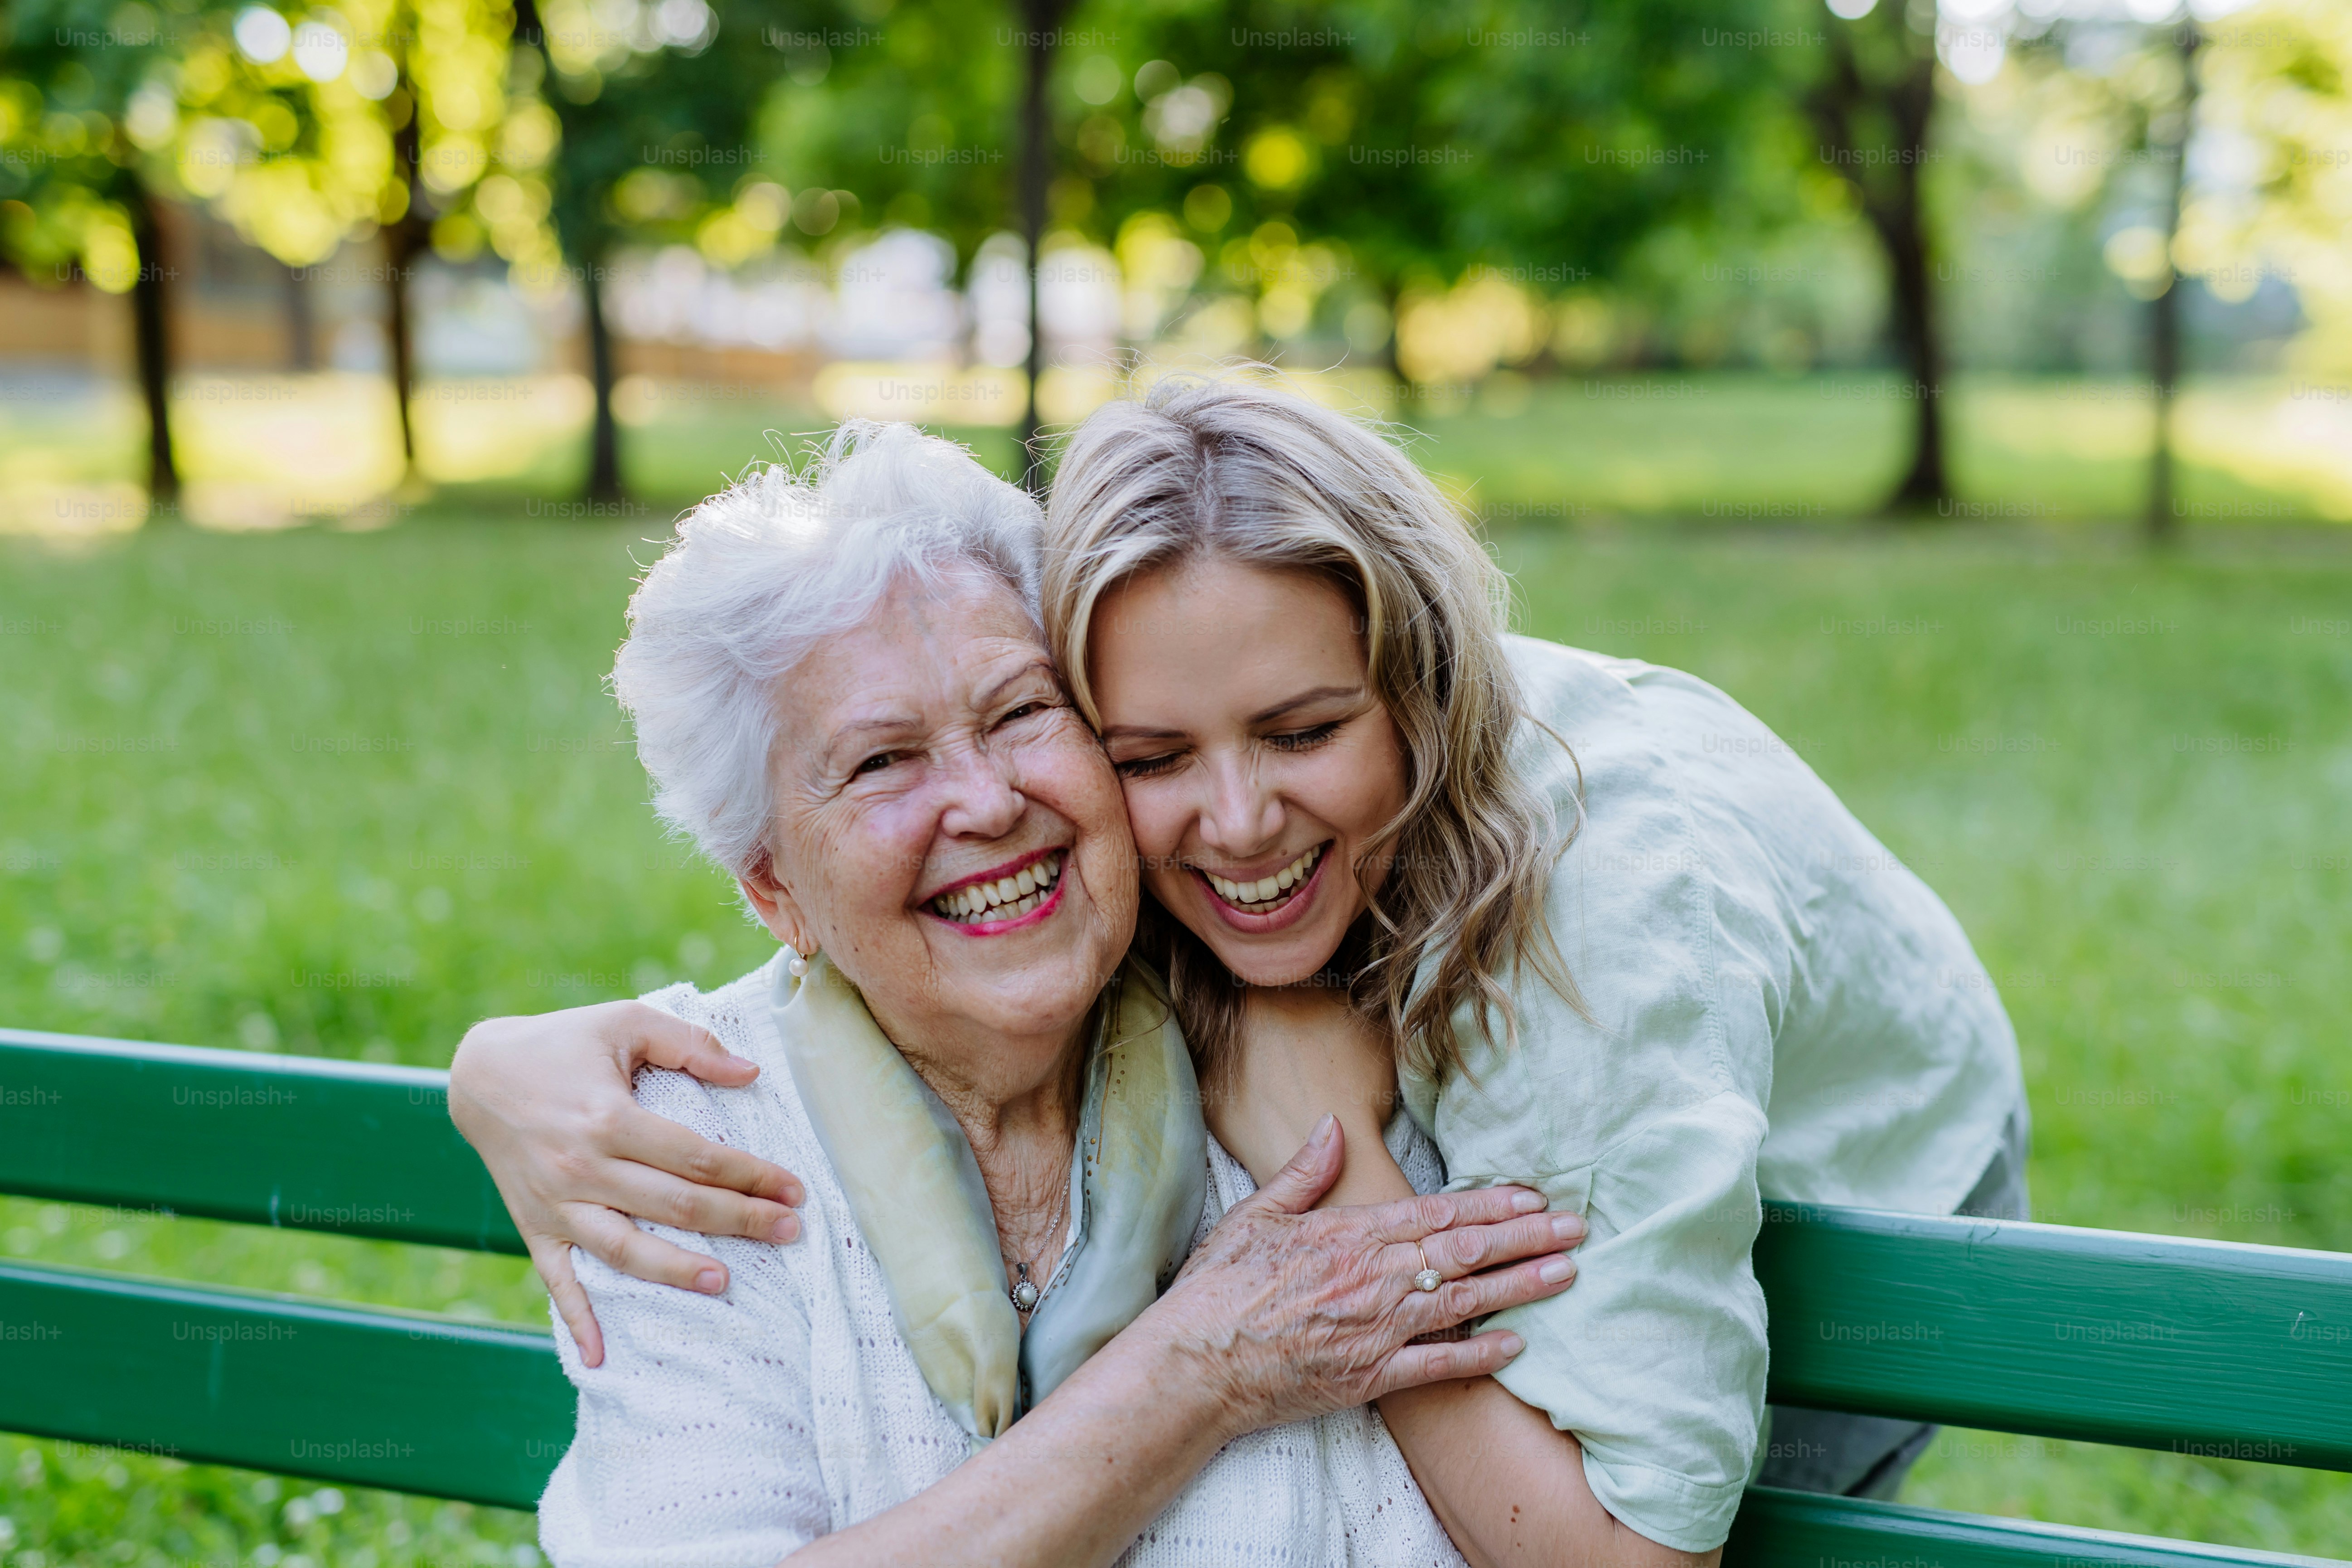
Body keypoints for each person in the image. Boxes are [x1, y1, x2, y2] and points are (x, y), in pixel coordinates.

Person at [456, 379, 2030, 1560]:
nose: (1224, 821)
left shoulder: (1564, 939)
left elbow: (1613, 1554)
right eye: (1150, 751)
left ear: (1419, 684)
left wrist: (1334, 1199)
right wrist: (502, 1067)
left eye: (1019, 719)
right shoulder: (1086, 912)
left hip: (1865, 1201)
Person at [504, 421, 1586, 1568]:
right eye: (882, 762)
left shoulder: (1306, 1039)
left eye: (1022, 712)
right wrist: (1200, 1367)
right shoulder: (690, 1147)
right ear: (777, 890)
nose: (984, 800)